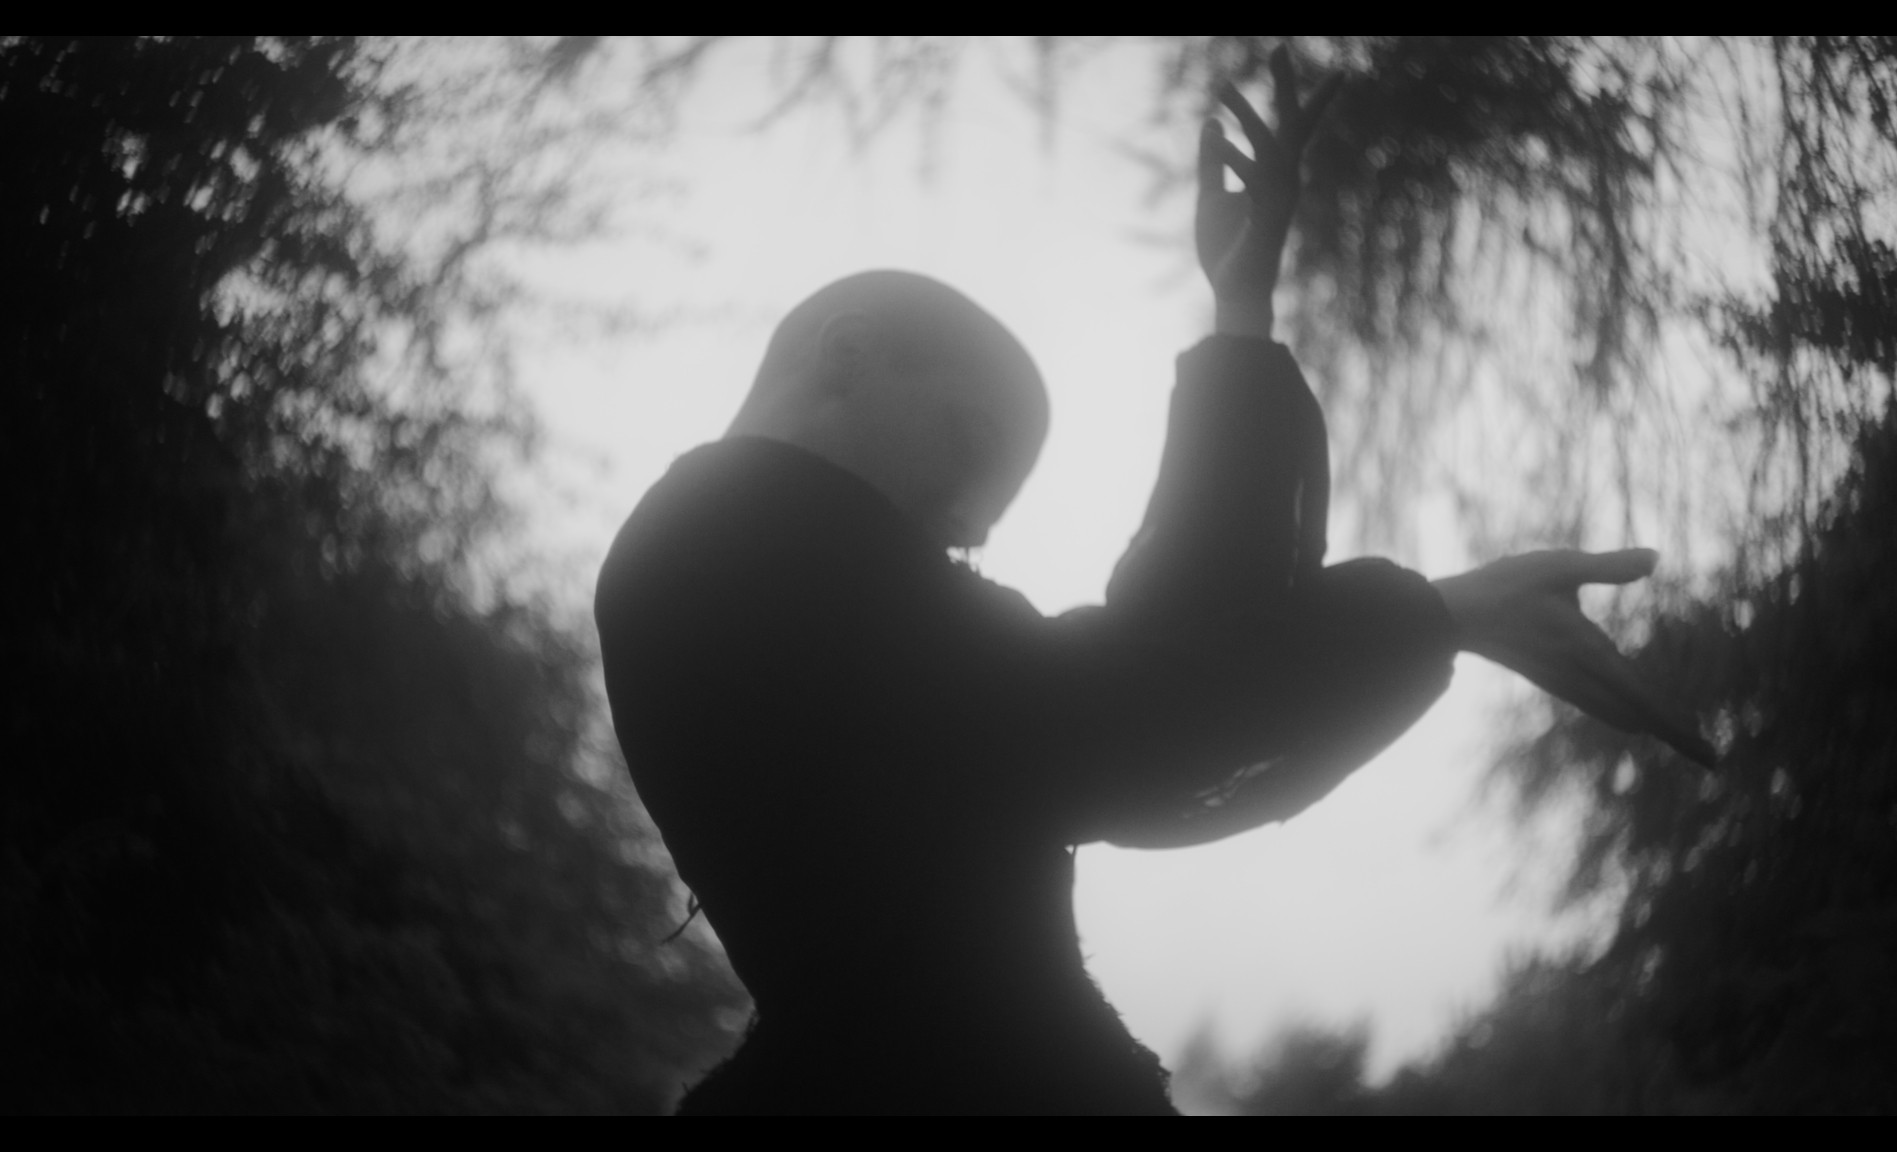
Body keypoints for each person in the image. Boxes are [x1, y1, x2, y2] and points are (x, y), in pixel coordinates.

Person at [595, 49, 1712, 1116]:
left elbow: (1156, 689)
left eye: (981, 525)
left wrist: (1244, 322)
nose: (960, 528)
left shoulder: (744, 559)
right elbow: (1142, 712)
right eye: (965, 444)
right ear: (845, 355)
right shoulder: (738, 548)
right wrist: (1438, 611)